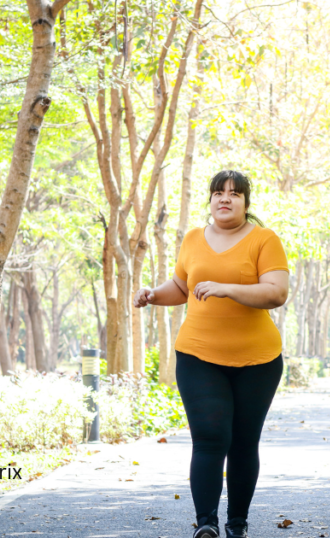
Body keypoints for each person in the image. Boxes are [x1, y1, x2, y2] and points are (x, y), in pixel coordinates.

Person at [133, 170, 289, 538]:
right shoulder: (192, 238)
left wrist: (226, 288)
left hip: (259, 361)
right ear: (210, 200)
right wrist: (154, 294)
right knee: (209, 437)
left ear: (246, 203)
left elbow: (276, 292)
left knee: (242, 442)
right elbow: (182, 287)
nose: (225, 199)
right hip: (198, 356)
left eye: (234, 194)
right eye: (218, 192)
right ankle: (207, 524)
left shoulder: (265, 240)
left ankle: (237, 524)